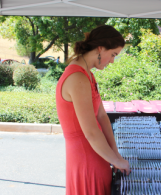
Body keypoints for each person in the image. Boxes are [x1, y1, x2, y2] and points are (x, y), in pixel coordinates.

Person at [55, 25, 130, 195]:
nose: (112, 61)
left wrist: (116, 155)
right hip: (86, 159)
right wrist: (114, 160)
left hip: (97, 153)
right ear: (100, 49)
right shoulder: (78, 77)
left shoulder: (87, 73)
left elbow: (102, 115)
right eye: (113, 55)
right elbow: (90, 132)